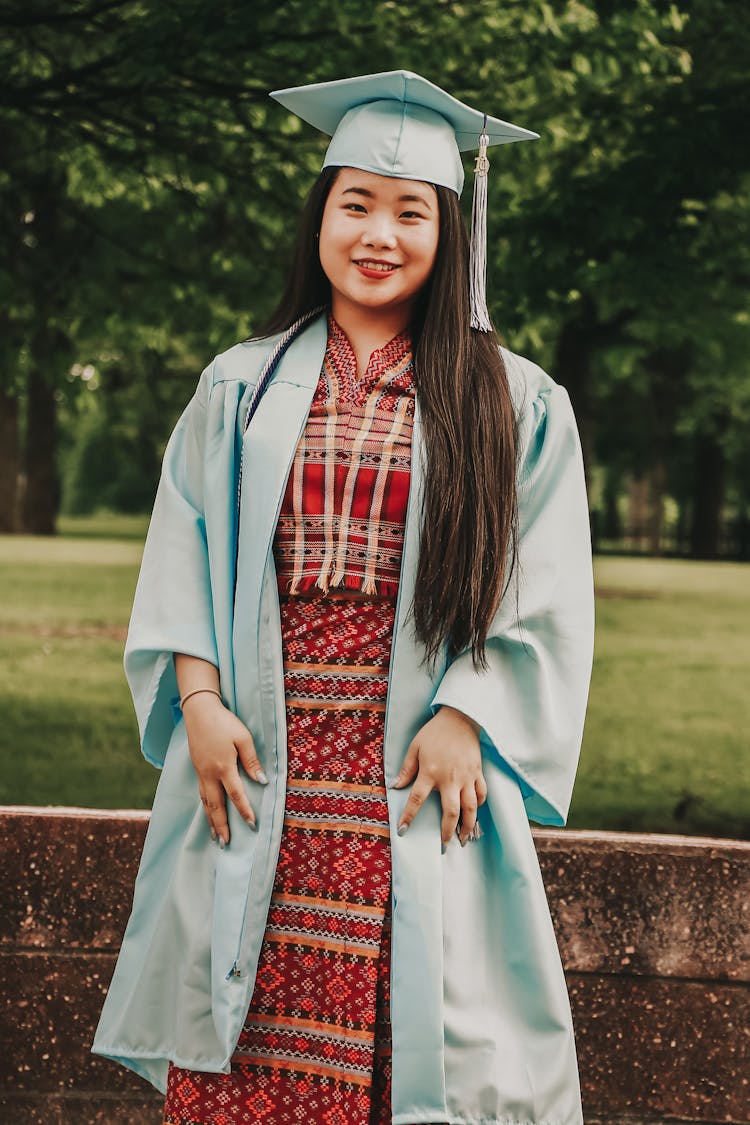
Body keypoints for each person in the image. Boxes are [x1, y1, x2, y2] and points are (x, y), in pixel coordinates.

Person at [92, 70, 595, 1125]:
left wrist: (469, 713)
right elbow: (180, 548)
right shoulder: (241, 383)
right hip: (260, 747)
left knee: (407, 1035)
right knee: (246, 1023)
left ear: (448, 231)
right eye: (354, 202)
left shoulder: (511, 401)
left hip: (414, 752)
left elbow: (542, 583)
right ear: (318, 216)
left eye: (410, 211)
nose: (378, 233)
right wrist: (199, 703)